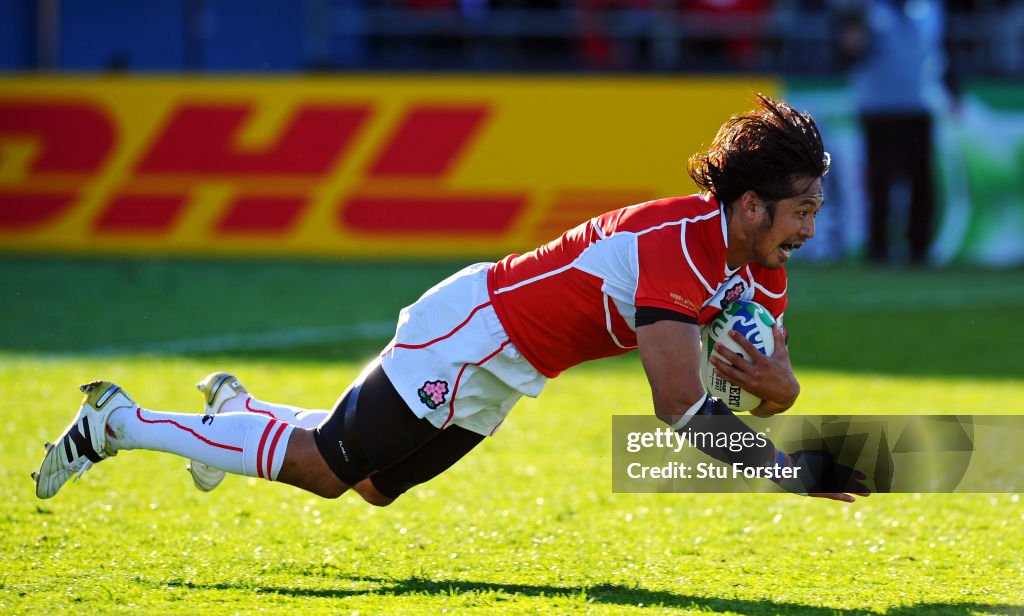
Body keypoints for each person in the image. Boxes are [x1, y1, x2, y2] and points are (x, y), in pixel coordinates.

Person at [33, 94, 868, 507]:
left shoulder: (762, 267)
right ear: (750, 203)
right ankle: (117, 422)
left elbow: (759, 389)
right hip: (473, 330)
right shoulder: (675, 243)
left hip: (509, 369)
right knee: (329, 470)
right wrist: (788, 470)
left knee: (372, 487)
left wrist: (784, 392)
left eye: (815, 211)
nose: (811, 228)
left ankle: (239, 415)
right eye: (801, 209)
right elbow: (680, 409)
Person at [837, 0, 953, 265]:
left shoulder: (929, 9)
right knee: (881, 181)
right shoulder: (866, 10)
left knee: (922, 181)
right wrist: (851, 43)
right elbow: (846, 53)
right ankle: (879, 249)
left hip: (919, 106)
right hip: (879, 109)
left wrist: (952, 90)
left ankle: (919, 249)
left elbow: (941, 53)